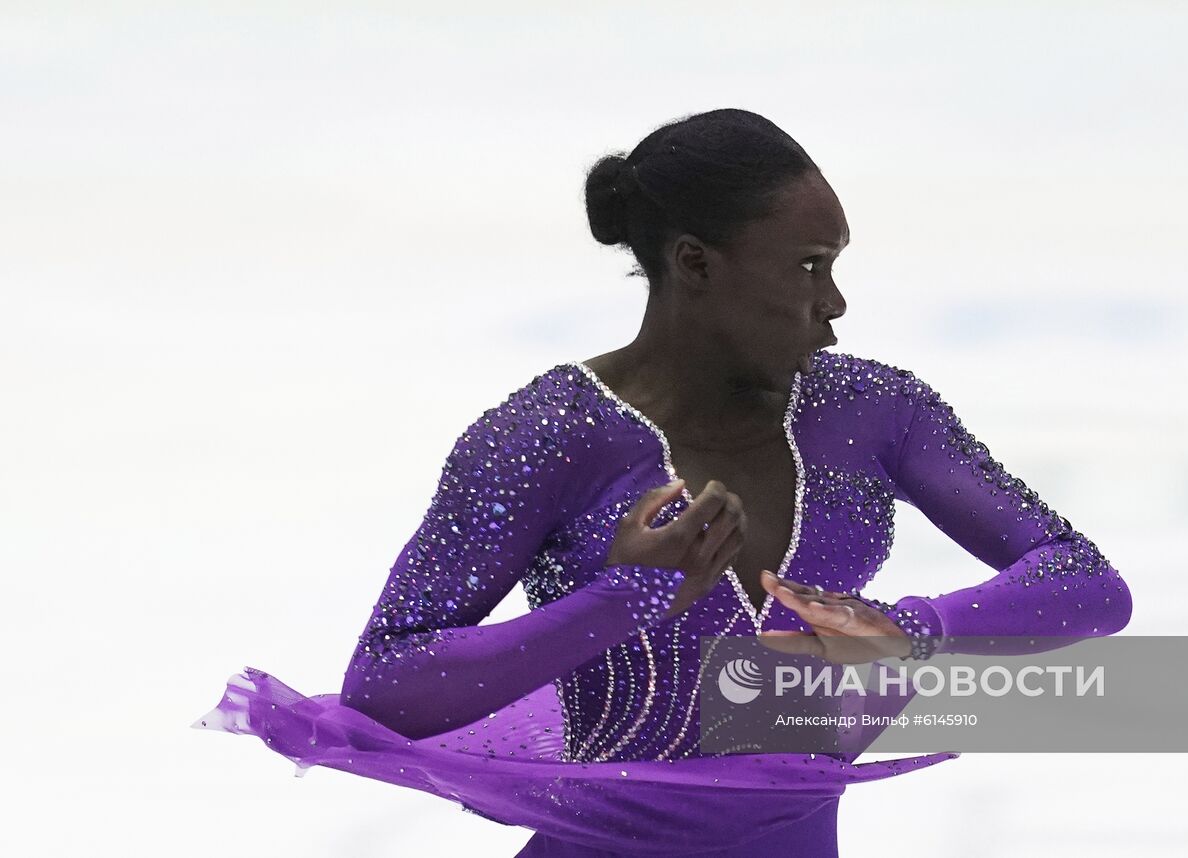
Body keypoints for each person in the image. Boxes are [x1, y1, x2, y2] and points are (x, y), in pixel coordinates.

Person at [193, 107, 1132, 856]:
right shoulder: (550, 437)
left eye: (836, 266)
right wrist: (618, 601)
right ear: (694, 265)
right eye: (808, 266)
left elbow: (1087, 582)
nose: (834, 301)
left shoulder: (869, 412)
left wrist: (912, 631)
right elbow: (384, 687)